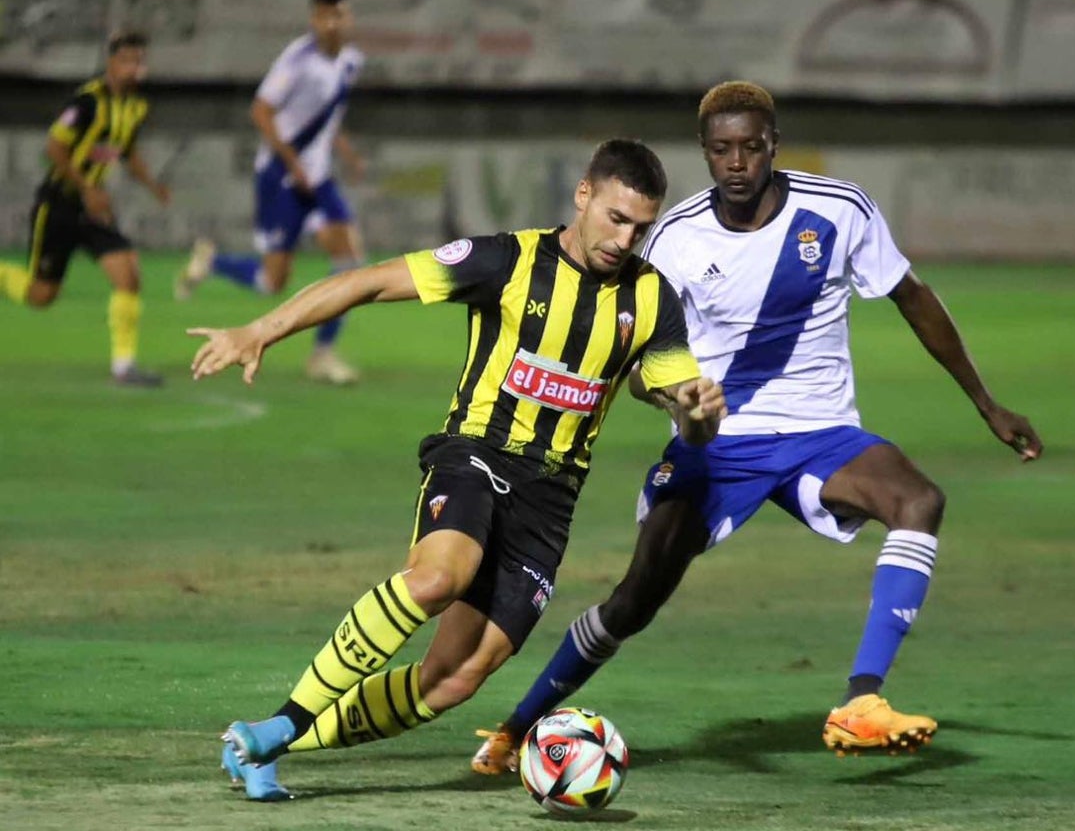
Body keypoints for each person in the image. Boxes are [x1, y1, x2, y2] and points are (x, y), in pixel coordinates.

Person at [471, 81, 1044, 773]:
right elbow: (639, 355)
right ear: (705, 154)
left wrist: (987, 404)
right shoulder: (676, 241)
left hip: (820, 431)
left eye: (750, 146)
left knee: (919, 501)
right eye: (722, 149)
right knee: (636, 597)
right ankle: (515, 728)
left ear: (774, 143)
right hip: (717, 441)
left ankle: (862, 700)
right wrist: (680, 406)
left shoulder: (839, 210)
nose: (737, 162)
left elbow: (912, 298)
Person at [188, 139, 727, 801]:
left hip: (549, 501)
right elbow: (367, 280)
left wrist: (699, 411)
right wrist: (261, 330)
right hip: (476, 452)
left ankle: (270, 739)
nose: (627, 237)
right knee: (440, 578)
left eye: (642, 226)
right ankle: (279, 724)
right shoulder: (504, 260)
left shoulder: (651, 299)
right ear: (583, 196)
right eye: (616, 217)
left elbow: (681, 408)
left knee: (455, 678)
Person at [175, 0, 367, 385]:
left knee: (349, 257)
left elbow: (324, 120)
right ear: (315, 19)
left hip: (318, 179)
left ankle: (323, 355)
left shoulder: (350, 61)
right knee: (271, 282)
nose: (333, 22)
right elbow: (261, 111)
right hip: (282, 178)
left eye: (340, 15)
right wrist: (293, 163)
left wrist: (345, 152)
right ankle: (213, 263)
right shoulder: (297, 60)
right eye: (326, 15)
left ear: (348, 19)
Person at [0, 30, 171, 386]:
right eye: (126, 61)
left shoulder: (136, 107)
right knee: (40, 296)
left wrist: (153, 185)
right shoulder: (87, 102)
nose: (134, 69)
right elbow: (54, 147)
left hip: (93, 210)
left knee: (128, 273)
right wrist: (87, 187)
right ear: (111, 63)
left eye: (139, 61)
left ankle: (124, 366)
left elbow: (127, 151)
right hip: (59, 204)